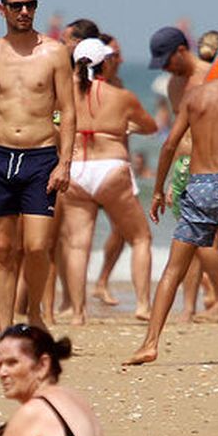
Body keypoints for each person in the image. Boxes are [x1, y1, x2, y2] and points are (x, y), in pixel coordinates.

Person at [125, 31, 218, 366]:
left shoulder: (195, 97)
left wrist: (160, 189)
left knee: (173, 269)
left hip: (200, 183)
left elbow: (168, 145)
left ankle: (150, 343)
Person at [0, 0, 76, 332]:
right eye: (17, 6)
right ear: (2, 9)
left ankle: (37, 314)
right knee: (1, 249)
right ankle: (4, 331)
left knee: (38, 246)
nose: (25, 11)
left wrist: (65, 162)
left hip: (41, 157)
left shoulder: (54, 52)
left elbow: (70, 111)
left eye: (30, 4)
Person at [62, 37, 157, 323]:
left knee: (78, 244)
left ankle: (78, 313)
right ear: (104, 63)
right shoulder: (120, 95)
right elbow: (150, 126)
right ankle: (142, 305)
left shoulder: (66, 93)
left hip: (77, 169)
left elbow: (55, 123)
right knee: (140, 237)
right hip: (111, 169)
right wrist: (125, 127)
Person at [148, 25, 218, 320]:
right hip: (184, 168)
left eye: (168, 61)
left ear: (182, 51)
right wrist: (173, 177)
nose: (167, 69)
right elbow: (178, 134)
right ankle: (189, 307)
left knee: (196, 238)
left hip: (209, 166)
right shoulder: (174, 84)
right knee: (192, 239)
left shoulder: (212, 76)